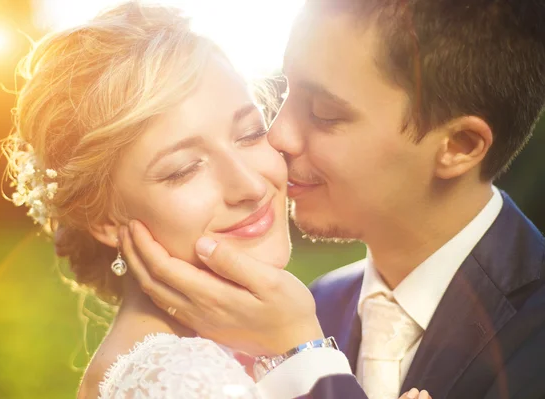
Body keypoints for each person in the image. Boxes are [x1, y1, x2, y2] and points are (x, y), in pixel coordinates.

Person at [3, 2, 431, 398]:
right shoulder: (179, 380)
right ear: (104, 219)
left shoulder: (232, 348)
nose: (249, 185)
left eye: (249, 133)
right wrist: (302, 344)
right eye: (184, 168)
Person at [122, 1, 545, 398]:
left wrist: (301, 355)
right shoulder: (314, 302)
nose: (278, 135)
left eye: (324, 112)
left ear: (459, 145)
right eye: (285, 91)